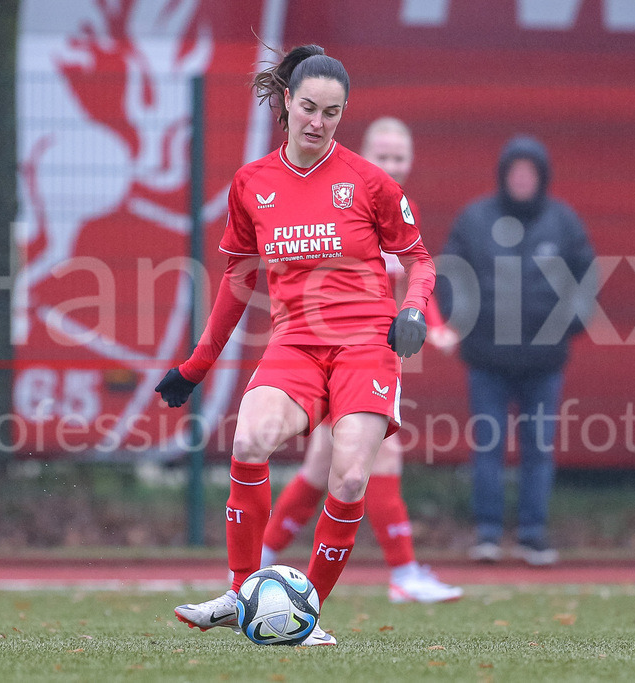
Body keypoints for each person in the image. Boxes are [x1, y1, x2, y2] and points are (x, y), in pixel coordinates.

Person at [156, 45, 435, 645]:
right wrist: (196, 365)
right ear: (286, 101)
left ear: (342, 115)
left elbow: (418, 257)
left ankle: (304, 616)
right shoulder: (252, 183)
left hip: (366, 344)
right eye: (308, 107)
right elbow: (237, 280)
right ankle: (239, 594)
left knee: (350, 478)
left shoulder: (368, 181)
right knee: (250, 437)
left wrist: (413, 309)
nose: (318, 122)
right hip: (298, 342)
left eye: (331, 113)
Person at [260, 117, 462, 604]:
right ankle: (404, 573)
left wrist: (432, 323)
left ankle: (262, 559)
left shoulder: (396, 209)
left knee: (320, 467)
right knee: (379, 455)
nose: (391, 165)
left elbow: (413, 270)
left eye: (399, 157)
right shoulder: (345, 200)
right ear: (361, 153)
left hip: (366, 352)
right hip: (341, 353)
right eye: (383, 156)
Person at [436, 134, 596, 567]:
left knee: (538, 448)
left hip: (544, 362)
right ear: (504, 175)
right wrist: (459, 320)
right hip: (486, 359)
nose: (522, 179)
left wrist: (568, 325)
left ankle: (531, 534)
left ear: (542, 178)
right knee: (487, 446)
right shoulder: (474, 219)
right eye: (515, 171)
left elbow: (587, 276)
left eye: (530, 172)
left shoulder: (564, 222)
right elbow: (448, 274)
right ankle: (487, 534)